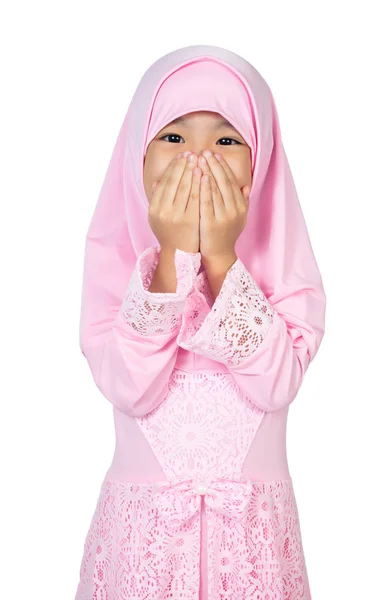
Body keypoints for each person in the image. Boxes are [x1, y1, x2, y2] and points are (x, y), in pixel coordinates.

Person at [75, 44, 326, 600]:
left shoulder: (287, 276)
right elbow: (129, 388)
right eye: (173, 136)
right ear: (137, 158)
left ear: (261, 160)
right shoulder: (115, 269)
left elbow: (275, 382)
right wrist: (169, 258)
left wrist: (222, 256)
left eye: (227, 139)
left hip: (253, 553)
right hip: (144, 550)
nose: (199, 157)